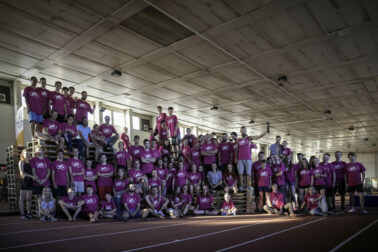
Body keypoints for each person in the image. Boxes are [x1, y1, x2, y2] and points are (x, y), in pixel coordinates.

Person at [235, 126, 266, 192]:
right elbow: (237, 150)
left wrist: (265, 132)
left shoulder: (249, 138)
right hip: (240, 159)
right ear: (240, 131)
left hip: (248, 159)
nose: (243, 131)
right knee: (241, 174)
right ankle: (242, 186)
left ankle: (249, 186)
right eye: (242, 130)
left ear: (246, 131)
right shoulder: (238, 140)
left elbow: (258, 137)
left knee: (248, 174)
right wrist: (236, 158)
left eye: (244, 130)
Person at [18, 149, 34, 219]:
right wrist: (32, 176)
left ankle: (28, 213)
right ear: (23, 154)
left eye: (29, 154)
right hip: (24, 181)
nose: (27, 155)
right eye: (26, 153)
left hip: (30, 182)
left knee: (29, 199)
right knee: (22, 199)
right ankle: (22, 214)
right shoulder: (21, 162)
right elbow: (22, 173)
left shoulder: (31, 162)